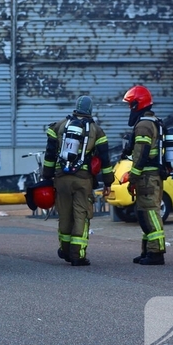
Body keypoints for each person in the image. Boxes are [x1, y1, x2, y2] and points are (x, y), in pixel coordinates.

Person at [42, 95, 114, 266]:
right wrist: (108, 182)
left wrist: (47, 176)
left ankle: (65, 250)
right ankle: (77, 255)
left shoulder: (58, 126)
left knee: (65, 214)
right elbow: (105, 159)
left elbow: (50, 154)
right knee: (81, 214)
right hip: (83, 180)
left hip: (61, 178)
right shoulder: (97, 131)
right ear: (90, 110)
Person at [123, 85, 166, 266]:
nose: (128, 109)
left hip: (147, 176)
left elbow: (141, 154)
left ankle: (156, 253)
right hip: (150, 175)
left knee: (150, 213)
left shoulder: (144, 125)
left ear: (136, 104)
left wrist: (132, 177)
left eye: (129, 105)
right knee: (144, 213)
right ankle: (148, 250)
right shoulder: (153, 121)